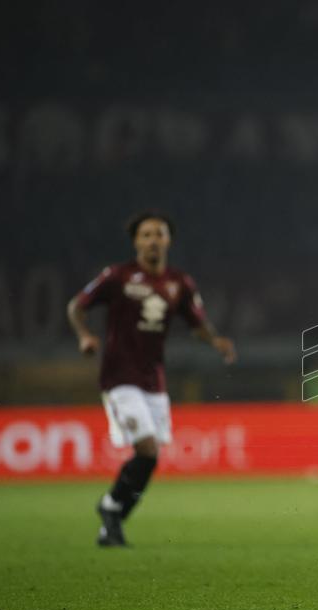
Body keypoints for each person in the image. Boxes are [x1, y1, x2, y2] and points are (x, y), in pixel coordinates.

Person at [67, 211, 236, 546]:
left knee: (152, 456)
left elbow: (195, 322)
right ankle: (111, 509)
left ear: (168, 240)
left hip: (154, 380)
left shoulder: (180, 283)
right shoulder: (118, 276)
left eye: (158, 234)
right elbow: (76, 305)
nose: (152, 240)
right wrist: (84, 335)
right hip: (119, 377)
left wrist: (215, 340)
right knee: (145, 447)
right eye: (145, 235)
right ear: (136, 242)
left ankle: (111, 513)